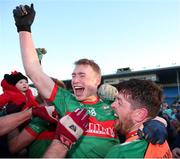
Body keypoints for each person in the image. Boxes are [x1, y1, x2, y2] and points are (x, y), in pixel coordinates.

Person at [12, 4, 167, 158]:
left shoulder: (112, 106)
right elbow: (34, 72)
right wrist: (24, 28)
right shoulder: (65, 100)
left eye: (82, 75)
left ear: (97, 80)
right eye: (73, 76)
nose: (75, 80)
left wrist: (158, 122)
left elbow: (141, 114)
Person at [105, 79, 172, 158]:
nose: (112, 105)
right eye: (115, 100)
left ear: (139, 114)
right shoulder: (162, 141)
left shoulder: (120, 153)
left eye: (119, 102)